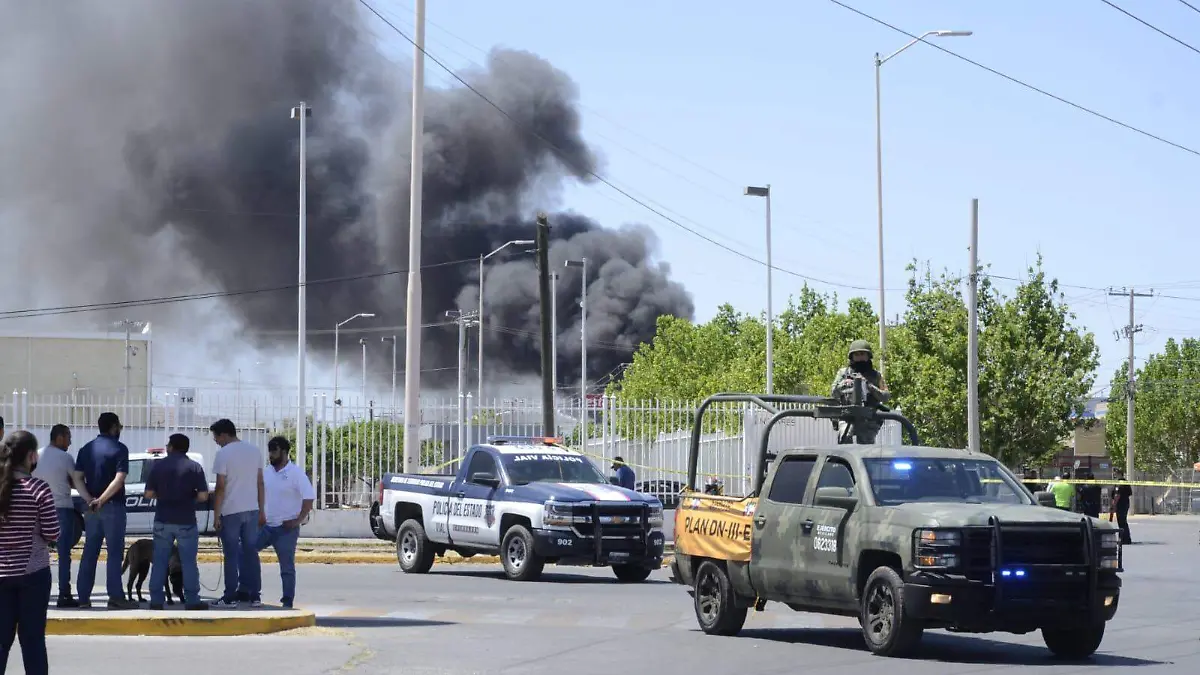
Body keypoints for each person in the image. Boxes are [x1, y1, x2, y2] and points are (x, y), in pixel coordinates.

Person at [0, 430, 59, 675]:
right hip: (33, 575)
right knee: (32, 641)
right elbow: (53, 533)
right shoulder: (38, 489)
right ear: (32, 456)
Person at [74, 412, 137, 609]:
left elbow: (77, 478)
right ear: (114, 427)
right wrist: (102, 500)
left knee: (89, 551)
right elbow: (119, 479)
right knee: (115, 553)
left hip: (91, 508)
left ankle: (83, 597)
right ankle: (115, 596)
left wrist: (90, 499)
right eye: (119, 426)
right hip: (113, 506)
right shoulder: (120, 449)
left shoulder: (86, 449)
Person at [144, 433, 209, 611]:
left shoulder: (158, 467)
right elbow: (203, 496)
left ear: (171, 447)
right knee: (188, 562)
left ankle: (156, 600)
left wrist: (162, 495)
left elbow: (148, 494)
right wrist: (189, 496)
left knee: (160, 561)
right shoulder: (195, 467)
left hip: (163, 520)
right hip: (186, 521)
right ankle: (192, 600)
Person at [32, 424, 93, 607]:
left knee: (37, 553)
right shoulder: (65, 458)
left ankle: (36, 593)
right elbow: (77, 482)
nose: (70, 441)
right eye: (69, 437)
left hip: (37, 509)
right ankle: (64, 595)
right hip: (61, 509)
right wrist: (90, 499)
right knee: (64, 553)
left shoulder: (36, 455)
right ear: (60, 437)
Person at [209, 419, 265, 608]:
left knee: (231, 554)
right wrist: (261, 510)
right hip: (251, 509)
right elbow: (260, 483)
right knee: (251, 553)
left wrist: (216, 516)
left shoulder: (223, 454)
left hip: (231, 510)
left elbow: (220, 487)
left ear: (224, 434)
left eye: (216, 437)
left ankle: (229, 596)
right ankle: (254, 595)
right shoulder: (254, 451)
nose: (216, 441)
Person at [256, 436, 314, 609]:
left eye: (274, 451)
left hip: (286, 529)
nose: (270, 455)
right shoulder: (267, 472)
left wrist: (297, 521)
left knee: (287, 567)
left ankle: (287, 601)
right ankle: (252, 593)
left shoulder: (296, 473)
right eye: (269, 451)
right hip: (266, 526)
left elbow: (309, 498)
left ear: (283, 451)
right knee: (246, 553)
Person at [830, 340, 891, 444]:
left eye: (862, 354)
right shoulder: (843, 373)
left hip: (869, 417)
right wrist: (844, 384)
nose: (859, 357)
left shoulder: (876, 376)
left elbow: (885, 396)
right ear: (852, 357)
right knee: (845, 437)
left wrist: (869, 386)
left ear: (868, 356)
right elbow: (833, 392)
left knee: (866, 444)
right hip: (848, 415)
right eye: (856, 355)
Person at [1110, 469, 1133, 544]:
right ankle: (1126, 538)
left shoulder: (1119, 483)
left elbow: (1117, 495)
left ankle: (1124, 539)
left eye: (1115, 473)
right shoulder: (1126, 482)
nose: (1114, 474)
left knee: (1121, 522)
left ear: (1119, 473)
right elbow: (1129, 493)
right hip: (1125, 503)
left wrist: (1114, 505)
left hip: (1121, 504)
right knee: (1123, 521)